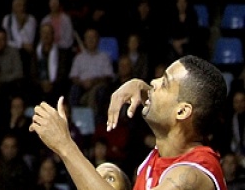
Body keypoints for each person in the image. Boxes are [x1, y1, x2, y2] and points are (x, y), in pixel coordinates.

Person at [30, 55, 228, 190]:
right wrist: (144, 90)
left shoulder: (189, 176)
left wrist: (64, 145)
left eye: (165, 83)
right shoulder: (163, 156)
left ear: (183, 111)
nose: (154, 82)